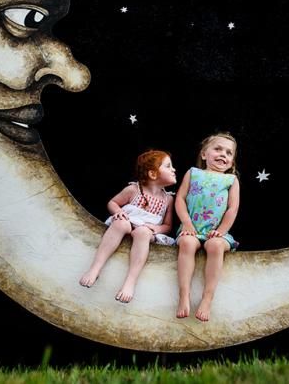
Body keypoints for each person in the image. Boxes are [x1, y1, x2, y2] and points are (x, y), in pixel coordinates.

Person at [79, 150, 176, 302]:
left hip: (147, 230)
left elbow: (168, 225)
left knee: (143, 233)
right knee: (120, 223)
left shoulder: (168, 199)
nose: (173, 169)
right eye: (168, 166)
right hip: (128, 222)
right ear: (153, 174)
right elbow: (113, 202)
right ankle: (95, 268)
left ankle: (130, 282)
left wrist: (157, 229)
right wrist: (118, 212)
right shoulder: (134, 189)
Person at [175, 133, 240, 321]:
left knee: (215, 246)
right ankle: (184, 295)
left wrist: (221, 231)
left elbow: (232, 208)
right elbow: (180, 198)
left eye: (228, 152)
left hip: (217, 232)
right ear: (204, 154)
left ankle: (207, 298)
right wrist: (187, 223)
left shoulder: (231, 180)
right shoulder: (193, 173)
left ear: (232, 161)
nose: (223, 154)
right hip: (191, 229)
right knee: (187, 243)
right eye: (218, 149)